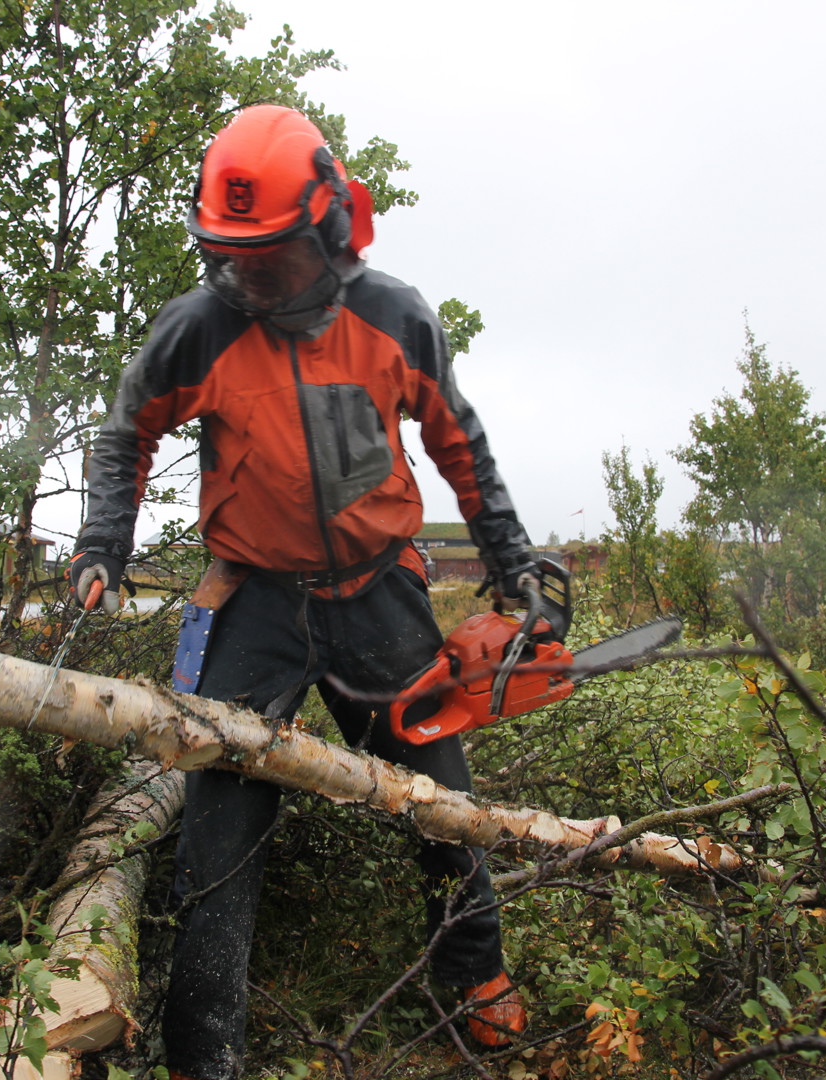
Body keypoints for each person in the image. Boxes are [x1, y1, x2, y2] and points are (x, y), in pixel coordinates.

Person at [68, 104, 536, 1078]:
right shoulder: (198, 329)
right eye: (229, 255)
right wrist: (101, 543)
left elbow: (461, 448)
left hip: (378, 594)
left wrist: (513, 556)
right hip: (256, 603)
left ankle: (475, 977)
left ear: (325, 229)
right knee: (218, 834)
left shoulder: (393, 317)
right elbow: (126, 436)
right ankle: (206, 1053)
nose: (248, 276)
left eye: (268, 255)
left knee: (438, 798)